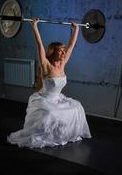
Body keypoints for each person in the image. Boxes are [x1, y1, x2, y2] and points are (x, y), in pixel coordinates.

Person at [7, 18, 91, 148]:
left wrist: (76, 29)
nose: (63, 52)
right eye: (60, 50)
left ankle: (66, 135)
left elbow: (71, 46)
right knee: (50, 113)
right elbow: (39, 44)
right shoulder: (46, 65)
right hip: (45, 99)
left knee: (77, 107)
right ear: (53, 52)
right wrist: (34, 26)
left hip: (58, 99)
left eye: (63, 50)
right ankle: (49, 135)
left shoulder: (62, 64)